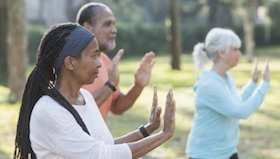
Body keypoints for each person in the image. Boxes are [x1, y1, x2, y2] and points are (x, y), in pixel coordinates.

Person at [13, 23, 176, 159]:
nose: (99, 64)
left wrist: (147, 130)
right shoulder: (49, 111)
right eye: (93, 56)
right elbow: (103, 155)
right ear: (70, 63)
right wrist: (164, 134)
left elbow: (106, 146)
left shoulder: (85, 97)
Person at [186, 28, 270, 159]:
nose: (239, 54)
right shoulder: (209, 84)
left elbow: (236, 103)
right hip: (205, 154)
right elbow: (240, 112)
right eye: (235, 49)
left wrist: (253, 83)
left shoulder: (227, 77)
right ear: (221, 53)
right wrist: (264, 85)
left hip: (228, 152)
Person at [76, 2, 155, 120]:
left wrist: (138, 86)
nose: (114, 30)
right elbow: (76, 110)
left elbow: (117, 106)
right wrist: (110, 84)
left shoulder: (104, 60)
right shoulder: (71, 63)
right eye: (107, 24)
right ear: (87, 28)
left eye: (114, 24)